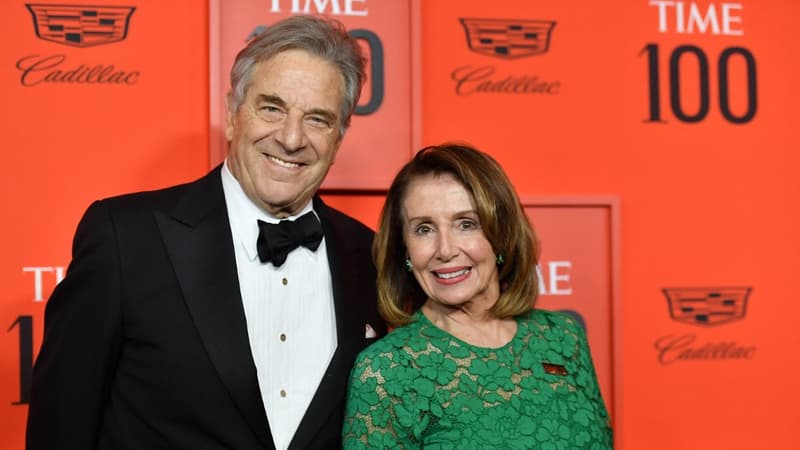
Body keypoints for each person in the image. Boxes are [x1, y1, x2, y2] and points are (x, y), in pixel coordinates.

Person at [26, 15, 386, 450]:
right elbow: (60, 426)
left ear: (339, 138)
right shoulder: (126, 238)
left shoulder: (369, 256)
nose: (291, 138)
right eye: (271, 108)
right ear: (234, 115)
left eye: (318, 119)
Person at [342, 144, 612, 449]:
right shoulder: (386, 370)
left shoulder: (563, 337)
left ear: (501, 234)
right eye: (424, 229)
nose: (445, 250)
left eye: (466, 224)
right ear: (405, 250)